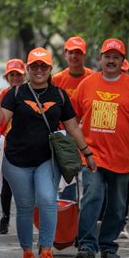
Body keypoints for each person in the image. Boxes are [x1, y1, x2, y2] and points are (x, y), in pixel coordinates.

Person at [0, 47, 96, 258]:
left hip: (48, 159)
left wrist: (88, 153)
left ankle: (46, 251)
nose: (39, 70)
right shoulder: (16, 93)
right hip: (16, 161)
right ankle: (27, 252)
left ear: (50, 69)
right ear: (28, 68)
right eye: (34, 66)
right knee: (26, 206)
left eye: (43, 66)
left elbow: (73, 128)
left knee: (47, 200)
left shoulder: (59, 95)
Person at [72, 38, 129, 258]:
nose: (111, 60)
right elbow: (72, 115)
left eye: (116, 57)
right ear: (100, 59)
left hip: (122, 157)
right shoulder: (87, 84)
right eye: (107, 56)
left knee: (118, 206)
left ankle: (108, 245)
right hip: (93, 155)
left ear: (122, 61)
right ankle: (88, 246)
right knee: (93, 197)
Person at [53, 36, 94, 201]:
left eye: (78, 53)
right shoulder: (56, 80)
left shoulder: (93, 78)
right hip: (64, 139)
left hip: (89, 138)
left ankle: (91, 218)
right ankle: (68, 222)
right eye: (71, 52)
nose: (74, 56)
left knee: (92, 182)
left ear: (84, 55)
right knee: (68, 184)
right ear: (65, 54)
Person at [0, 58, 26, 234]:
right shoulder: (3, 95)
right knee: (7, 184)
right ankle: (5, 217)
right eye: (12, 75)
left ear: (24, 76)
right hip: (6, 143)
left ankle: (26, 217)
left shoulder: (29, 92)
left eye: (18, 74)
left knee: (26, 185)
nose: (15, 78)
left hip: (27, 144)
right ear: (6, 77)